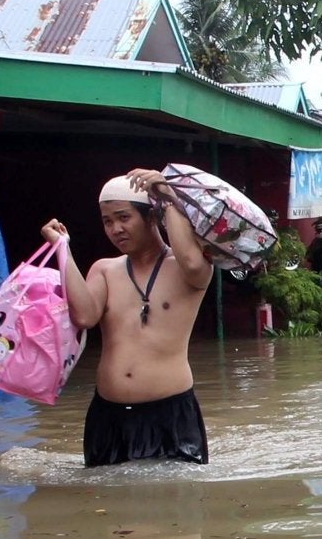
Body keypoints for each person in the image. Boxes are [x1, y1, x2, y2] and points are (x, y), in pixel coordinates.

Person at [41, 170, 214, 467]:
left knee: (176, 504)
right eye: (108, 221)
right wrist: (61, 248)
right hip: (108, 415)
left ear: (151, 217)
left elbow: (189, 258)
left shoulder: (189, 270)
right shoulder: (105, 270)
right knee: (106, 505)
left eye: (123, 217)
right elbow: (84, 316)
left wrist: (167, 197)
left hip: (170, 413)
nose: (115, 229)